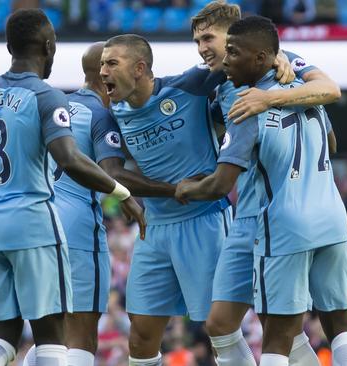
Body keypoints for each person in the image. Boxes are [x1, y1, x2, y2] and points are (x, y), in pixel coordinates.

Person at [0, 9, 145, 366]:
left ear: (9, 45)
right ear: (48, 46)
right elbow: (70, 160)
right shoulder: (47, 97)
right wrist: (121, 193)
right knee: (52, 338)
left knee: (1, 339)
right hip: (33, 225)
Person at [176, 15, 347, 366]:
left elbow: (221, 183)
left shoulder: (248, 102)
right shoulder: (302, 92)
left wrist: (183, 189)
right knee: (342, 328)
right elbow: (331, 142)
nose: (221, 57)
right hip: (331, 218)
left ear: (259, 55)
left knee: (278, 334)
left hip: (279, 223)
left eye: (226, 48)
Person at [23, 42, 177, 366]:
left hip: (39, 224)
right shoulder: (101, 115)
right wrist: (172, 189)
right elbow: (113, 173)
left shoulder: (56, 105)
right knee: (81, 335)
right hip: (78, 229)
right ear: (103, 73)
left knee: (49, 332)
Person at [100, 34, 233, 366]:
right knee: (141, 335)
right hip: (155, 229)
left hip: (204, 221)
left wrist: (283, 59)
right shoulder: (113, 112)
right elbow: (115, 172)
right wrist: (172, 190)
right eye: (103, 64)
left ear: (140, 68)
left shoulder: (188, 85)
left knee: (220, 332)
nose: (103, 71)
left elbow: (241, 58)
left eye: (112, 63)